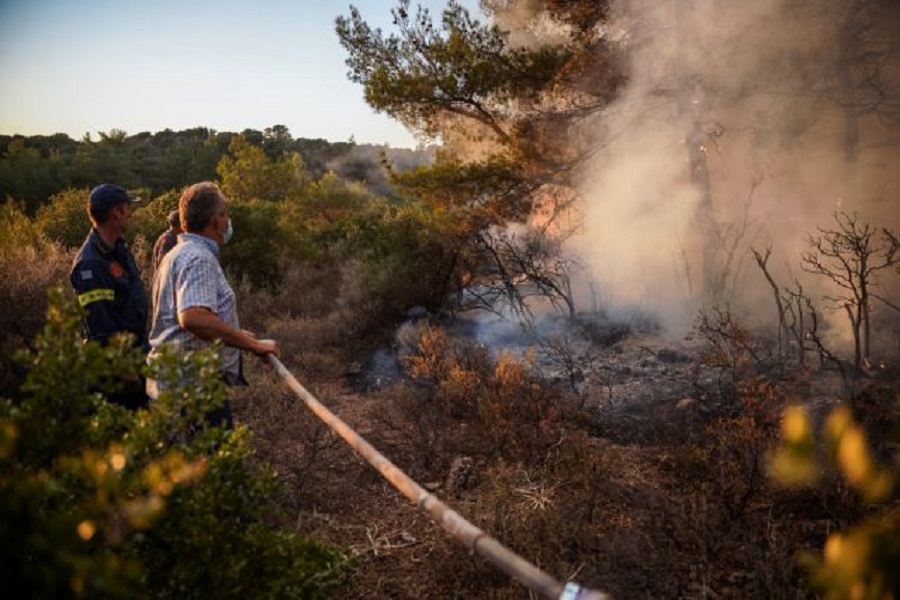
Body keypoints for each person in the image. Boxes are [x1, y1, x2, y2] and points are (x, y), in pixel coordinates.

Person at [146, 181, 278, 428]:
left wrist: (236, 334)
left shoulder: (176, 254)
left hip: (175, 388)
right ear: (215, 220)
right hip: (194, 393)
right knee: (212, 464)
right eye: (225, 214)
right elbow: (193, 317)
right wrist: (253, 344)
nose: (228, 221)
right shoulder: (198, 258)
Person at [70, 183, 149, 410]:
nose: (131, 214)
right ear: (116, 212)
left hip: (135, 360)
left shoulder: (118, 250)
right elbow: (101, 328)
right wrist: (126, 371)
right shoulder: (91, 264)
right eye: (128, 208)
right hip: (115, 375)